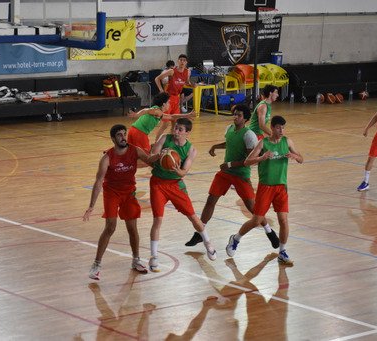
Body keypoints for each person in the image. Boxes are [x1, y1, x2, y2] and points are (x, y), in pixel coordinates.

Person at [184, 104, 279, 249]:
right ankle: (199, 234)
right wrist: (216, 146)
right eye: (234, 114)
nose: (235, 117)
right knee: (211, 200)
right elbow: (229, 143)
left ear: (245, 118)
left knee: (253, 208)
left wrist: (230, 165)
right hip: (225, 173)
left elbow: (249, 161)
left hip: (240, 175)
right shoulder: (229, 129)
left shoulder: (249, 135)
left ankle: (269, 232)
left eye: (239, 115)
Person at [84, 124, 162, 280]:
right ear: (113, 139)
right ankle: (96, 265)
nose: (123, 137)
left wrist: (161, 155)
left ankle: (136, 260)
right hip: (112, 192)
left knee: (132, 228)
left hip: (129, 192)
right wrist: (91, 206)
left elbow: (148, 160)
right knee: (110, 227)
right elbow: (98, 182)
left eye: (124, 134)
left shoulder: (134, 150)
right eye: (119, 135)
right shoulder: (107, 157)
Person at [226, 115, 303, 266]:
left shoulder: (288, 142)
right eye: (279, 127)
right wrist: (262, 158)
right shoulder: (263, 143)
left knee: (283, 220)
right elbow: (248, 161)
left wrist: (295, 156)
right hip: (265, 187)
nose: (282, 130)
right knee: (256, 221)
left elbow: (302, 159)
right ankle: (235, 239)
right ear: (272, 128)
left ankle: (282, 252)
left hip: (281, 187)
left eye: (283, 128)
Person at [148, 117, 217, 271]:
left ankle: (208, 243)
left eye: (180, 129)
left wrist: (175, 168)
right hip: (158, 183)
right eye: (175, 128)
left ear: (187, 133)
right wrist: (160, 156)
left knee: (193, 216)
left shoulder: (191, 150)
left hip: (175, 185)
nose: (176, 131)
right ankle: (154, 256)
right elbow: (150, 157)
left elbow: (183, 172)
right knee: (157, 220)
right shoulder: (165, 138)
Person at [127, 92, 194, 154]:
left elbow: (172, 117)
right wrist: (136, 114)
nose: (169, 104)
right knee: (146, 158)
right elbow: (146, 110)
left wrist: (186, 115)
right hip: (140, 133)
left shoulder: (159, 113)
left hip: (133, 130)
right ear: (164, 104)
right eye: (168, 102)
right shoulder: (157, 111)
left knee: (131, 153)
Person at [154, 54, 194, 141]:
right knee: (165, 124)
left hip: (177, 98)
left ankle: (172, 143)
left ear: (186, 62)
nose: (182, 62)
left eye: (184, 60)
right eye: (181, 60)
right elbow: (157, 79)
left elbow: (186, 82)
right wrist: (161, 90)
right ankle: (156, 143)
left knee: (175, 123)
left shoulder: (187, 72)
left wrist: (192, 85)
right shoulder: (172, 71)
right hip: (168, 99)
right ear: (178, 61)